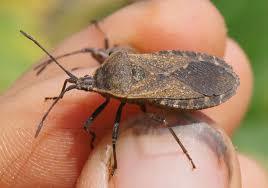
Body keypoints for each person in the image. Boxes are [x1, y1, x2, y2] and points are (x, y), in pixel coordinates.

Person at [0, 0, 267, 187]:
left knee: (134, 125)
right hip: (176, 69)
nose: (82, 83)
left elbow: (91, 125)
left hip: (174, 89)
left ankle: (183, 151)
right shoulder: (115, 62)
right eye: (86, 83)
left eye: (86, 83)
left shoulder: (115, 83)